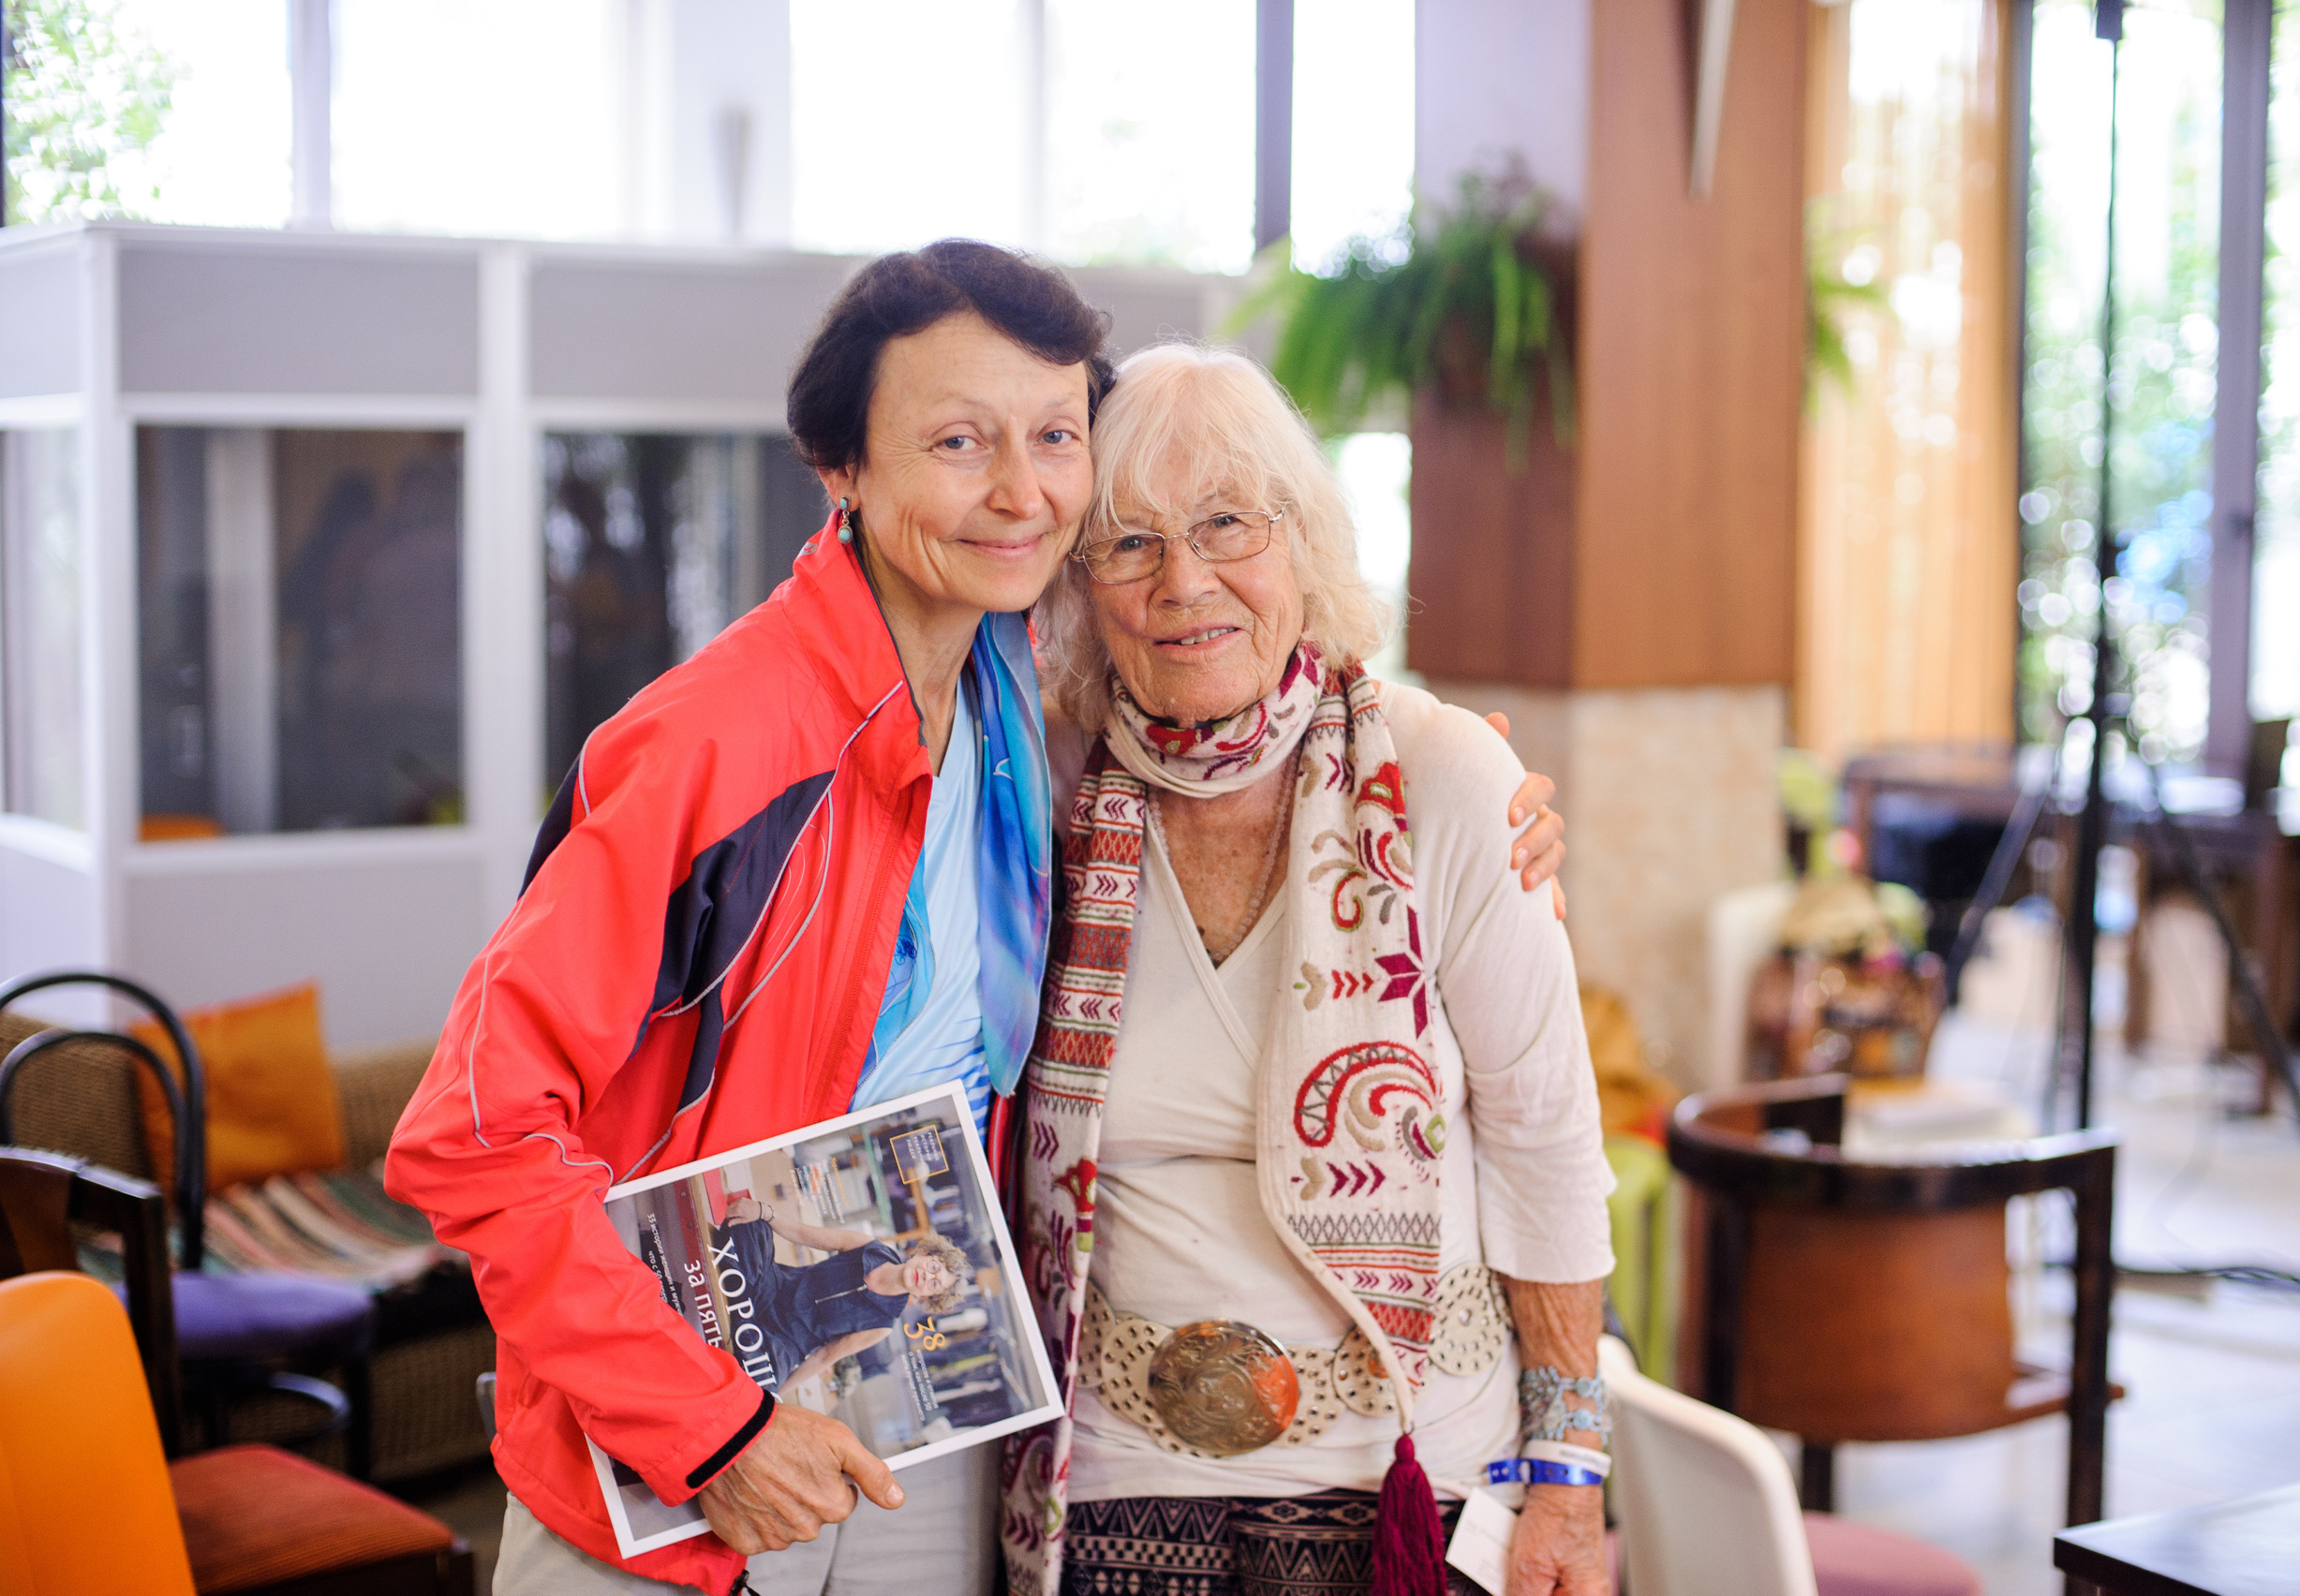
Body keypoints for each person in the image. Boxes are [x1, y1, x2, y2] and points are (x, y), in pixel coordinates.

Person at [383, 241, 1570, 1596]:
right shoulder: (713, 744)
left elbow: (1254, 684)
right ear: (842, 465)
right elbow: (470, 1140)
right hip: (685, 1451)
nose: (1022, 492)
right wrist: (708, 1430)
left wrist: (1461, 786)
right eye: (959, 441)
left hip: (936, 1432)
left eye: (1056, 437)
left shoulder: (1030, 702)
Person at [1005, 343, 1616, 1596]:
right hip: (1117, 1489)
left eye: (1229, 523)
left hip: (1416, 1476)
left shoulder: (1442, 779)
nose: (1187, 582)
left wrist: (1570, 1479)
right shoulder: (1044, 797)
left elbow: (1545, 1140)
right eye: (1129, 543)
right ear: (1079, 585)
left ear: (1302, 541)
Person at [714, 1200, 968, 1386]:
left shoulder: (882, 1325)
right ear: (923, 1254)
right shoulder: (869, 1247)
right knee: (753, 1226)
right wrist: (763, 1210)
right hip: (774, 1287)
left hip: (784, 1341)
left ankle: (741, 1308)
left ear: (925, 1297)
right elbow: (803, 1234)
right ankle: (744, 1319)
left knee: (760, 1383)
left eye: (934, 1284)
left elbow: (824, 1356)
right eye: (933, 1267)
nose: (927, 1276)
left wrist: (777, 1393)